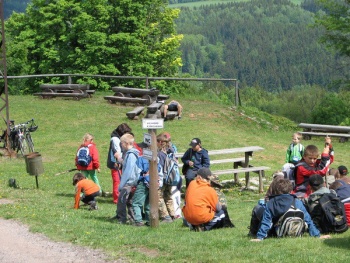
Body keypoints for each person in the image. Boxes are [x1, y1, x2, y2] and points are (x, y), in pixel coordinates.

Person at [250, 178, 330, 241]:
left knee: (257, 208)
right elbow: (308, 220)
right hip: (295, 231)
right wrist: (317, 235)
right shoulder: (297, 201)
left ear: (275, 190)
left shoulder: (271, 203)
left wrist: (260, 237)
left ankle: (252, 233)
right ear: (290, 190)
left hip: (276, 232)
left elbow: (266, 221)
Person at [132, 143, 163, 227]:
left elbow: (136, 173)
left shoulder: (141, 159)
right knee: (149, 203)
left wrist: (134, 183)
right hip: (154, 184)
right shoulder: (156, 160)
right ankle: (150, 220)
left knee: (136, 203)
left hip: (143, 183)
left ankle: (138, 221)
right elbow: (159, 171)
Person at [113, 133, 140, 224]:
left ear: (125, 143)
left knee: (121, 200)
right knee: (130, 201)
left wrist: (121, 185)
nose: (121, 145)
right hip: (133, 181)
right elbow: (126, 164)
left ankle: (122, 219)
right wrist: (120, 160)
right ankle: (133, 218)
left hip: (129, 182)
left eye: (121, 143)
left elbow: (128, 170)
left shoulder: (131, 155)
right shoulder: (131, 153)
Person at [107, 123, 132, 204]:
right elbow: (118, 152)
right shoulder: (115, 139)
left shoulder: (117, 138)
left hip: (120, 163)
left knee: (120, 179)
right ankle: (116, 199)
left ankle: (120, 196)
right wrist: (121, 161)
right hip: (116, 164)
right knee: (117, 181)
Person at [157, 133, 175, 222]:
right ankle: (172, 214)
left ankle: (165, 216)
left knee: (158, 197)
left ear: (160, 142)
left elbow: (159, 167)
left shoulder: (160, 154)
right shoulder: (170, 151)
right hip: (170, 177)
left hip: (163, 178)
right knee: (168, 196)